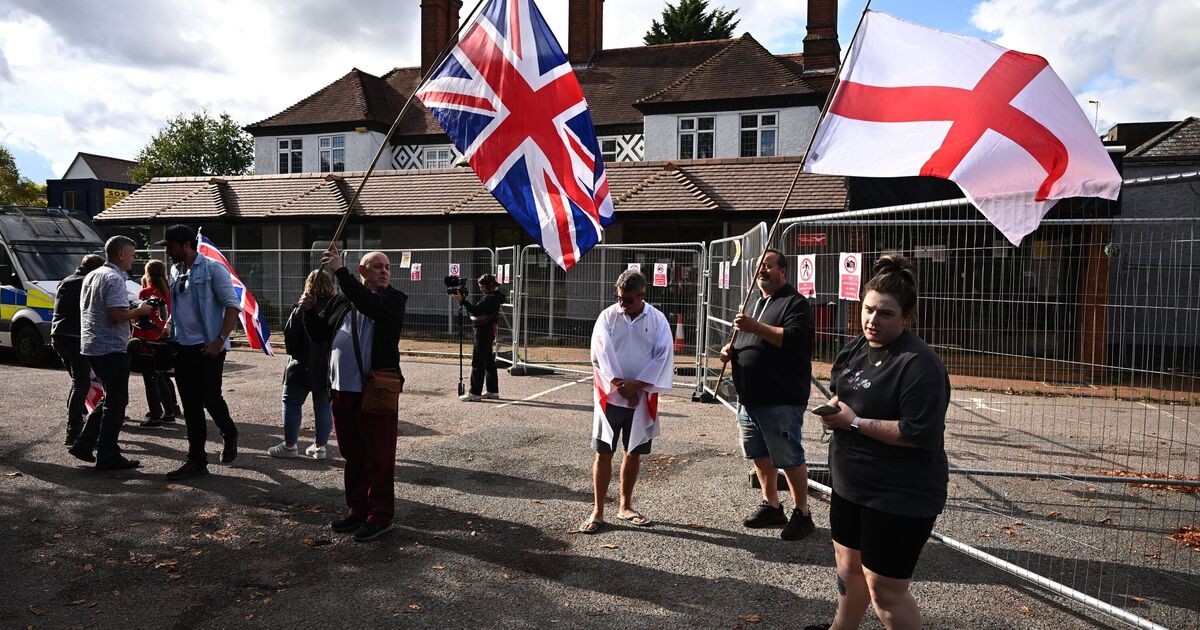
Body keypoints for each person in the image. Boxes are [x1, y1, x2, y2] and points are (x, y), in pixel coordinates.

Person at [805, 255, 950, 630]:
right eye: (869, 310)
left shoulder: (919, 364)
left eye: (886, 314)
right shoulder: (856, 348)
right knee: (849, 568)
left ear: (907, 318)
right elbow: (843, 392)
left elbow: (918, 434)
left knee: (885, 590)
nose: (873, 320)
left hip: (899, 494)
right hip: (850, 484)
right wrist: (836, 409)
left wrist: (853, 423)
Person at [302, 246, 407, 542]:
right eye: (377, 267)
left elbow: (368, 304)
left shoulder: (392, 300)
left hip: (375, 391)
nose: (385, 271)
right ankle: (358, 510)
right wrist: (309, 313)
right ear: (363, 272)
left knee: (379, 457)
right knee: (353, 455)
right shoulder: (340, 300)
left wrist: (340, 271)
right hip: (341, 390)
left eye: (387, 267)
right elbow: (320, 335)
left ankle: (381, 515)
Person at [720, 248, 816, 540]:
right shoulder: (757, 303)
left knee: (788, 457)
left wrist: (754, 327)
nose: (763, 270)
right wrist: (732, 351)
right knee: (760, 455)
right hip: (750, 399)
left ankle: (803, 512)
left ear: (783, 272)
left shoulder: (794, 303)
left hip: (781, 398)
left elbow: (795, 340)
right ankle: (772, 505)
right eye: (760, 266)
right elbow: (752, 338)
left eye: (769, 266)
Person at [580, 269, 674, 534]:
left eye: (628, 300)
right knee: (603, 452)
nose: (622, 304)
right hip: (610, 397)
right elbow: (600, 353)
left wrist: (638, 385)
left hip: (640, 399)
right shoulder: (607, 317)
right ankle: (598, 509)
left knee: (633, 452)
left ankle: (625, 505)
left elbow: (662, 355)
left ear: (642, 296)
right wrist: (621, 385)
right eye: (619, 298)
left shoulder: (657, 320)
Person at [157, 225, 242, 481]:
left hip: (208, 347)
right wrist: (170, 323)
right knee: (190, 405)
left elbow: (232, 307)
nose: (167, 251)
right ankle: (196, 460)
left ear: (186, 245)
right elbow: (178, 304)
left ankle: (229, 431)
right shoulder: (174, 270)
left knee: (210, 398)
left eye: (170, 246)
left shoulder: (213, 269)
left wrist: (219, 340)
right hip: (182, 346)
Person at [67, 236, 154, 470]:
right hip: (110, 347)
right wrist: (140, 310)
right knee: (116, 402)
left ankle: (84, 444)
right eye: (133, 254)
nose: (134, 259)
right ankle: (108, 455)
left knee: (110, 399)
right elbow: (115, 316)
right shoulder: (114, 278)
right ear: (121, 254)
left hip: (92, 345)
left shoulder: (93, 274)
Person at [268, 269, 336, 460]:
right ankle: (320, 446)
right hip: (325, 366)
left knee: (291, 403)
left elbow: (290, 340)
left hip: (300, 364)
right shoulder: (333, 309)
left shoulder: (302, 308)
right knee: (323, 404)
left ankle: (290, 445)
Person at [51, 253, 105, 446]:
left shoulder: (66, 280)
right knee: (81, 383)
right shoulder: (89, 282)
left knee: (77, 383)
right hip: (76, 337)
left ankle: (77, 425)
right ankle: (74, 430)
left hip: (58, 336)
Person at [133, 259, 181, 429]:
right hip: (163, 336)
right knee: (160, 374)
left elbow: (139, 316)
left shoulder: (145, 292)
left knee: (150, 378)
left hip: (147, 336)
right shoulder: (169, 291)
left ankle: (155, 416)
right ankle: (169, 412)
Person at [452, 273, 506, 401]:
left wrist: (463, 301)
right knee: (488, 362)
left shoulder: (490, 299)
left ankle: (475, 392)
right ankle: (492, 390)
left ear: (489, 286)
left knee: (478, 362)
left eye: (482, 287)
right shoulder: (494, 297)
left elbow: (476, 310)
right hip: (488, 332)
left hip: (483, 333)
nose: (481, 289)